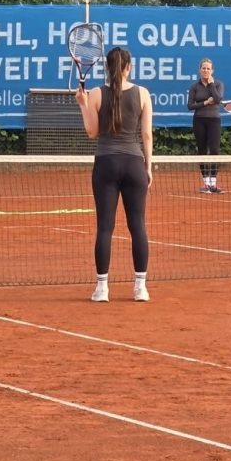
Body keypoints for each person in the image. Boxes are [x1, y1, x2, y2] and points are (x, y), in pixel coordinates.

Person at [75, 46, 153, 302]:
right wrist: (148, 167)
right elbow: (146, 135)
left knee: (105, 228)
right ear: (129, 67)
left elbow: (91, 132)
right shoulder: (143, 94)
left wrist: (83, 105)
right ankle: (140, 287)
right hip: (134, 165)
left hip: (106, 164)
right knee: (138, 225)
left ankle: (102, 288)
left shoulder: (96, 94)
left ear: (107, 67)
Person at [187, 58, 224, 194]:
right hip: (199, 121)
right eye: (203, 68)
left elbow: (218, 99)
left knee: (214, 151)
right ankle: (206, 183)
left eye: (208, 68)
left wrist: (211, 85)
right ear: (200, 70)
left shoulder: (218, 84)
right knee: (202, 151)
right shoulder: (194, 87)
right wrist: (205, 103)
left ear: (212, 70)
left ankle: (213, 184)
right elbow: (190, 106)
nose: (206, 70)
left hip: (214, 120)